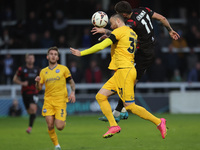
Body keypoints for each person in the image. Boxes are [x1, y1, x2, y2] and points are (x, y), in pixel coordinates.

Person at [70, 14, 167, 139]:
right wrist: (110, 35)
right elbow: (120, 41)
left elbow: (101, 46)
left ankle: (159, 122)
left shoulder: (119, 32)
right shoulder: (131, 32)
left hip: (125, 71)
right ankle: (113, 125)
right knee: (100, 96)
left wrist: (81, 53)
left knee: (130, 106)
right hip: (121, 72)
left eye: (111, 23)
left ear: (117, 21)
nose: (111, 26)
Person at [91, 1, 180, 122]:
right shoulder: (144, 10)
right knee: (128, 80)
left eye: (119, 14)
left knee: (129, 80)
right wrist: (170, 30)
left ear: (123, 14)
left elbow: (124, 35)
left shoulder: (131, 23)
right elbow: (162, 18)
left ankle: (119, 112)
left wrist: (106, 32)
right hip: (149, 49)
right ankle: (119, 111)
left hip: (144, 54)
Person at [35, 46, 76, 150]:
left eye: (55, 54)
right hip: (48, 101)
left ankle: (62, 121)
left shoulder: (64, 69)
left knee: (60, 127)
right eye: (51, 54)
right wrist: (37, 82)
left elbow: (71, 82)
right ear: (47, 57)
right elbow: (39, 88)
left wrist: (73, 93)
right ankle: (57, 146)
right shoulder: (43, 72)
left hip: (60, 101)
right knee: (50, 125)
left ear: (58, 58)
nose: (53, 56)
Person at [13, 54, 40, 133]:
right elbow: (14, 79)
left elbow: (43, 79)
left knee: (33, 109)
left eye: (32, 58)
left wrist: (39, 83)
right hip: (25, 93)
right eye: (29, 58)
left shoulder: (37, 69)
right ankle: (33, 115)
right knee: (29, 112)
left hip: (34, 92)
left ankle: (29, 128)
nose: (31, 59)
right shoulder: (21, 69)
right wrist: (22, 83)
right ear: (26, 60)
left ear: (34, 60)